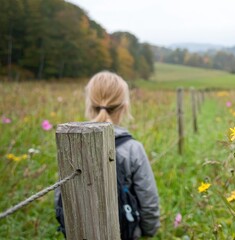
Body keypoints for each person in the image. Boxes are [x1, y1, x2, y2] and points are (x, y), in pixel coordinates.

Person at [54, 71, 160, 238]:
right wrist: (148, 231)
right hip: (125, 232)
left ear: (89, 104)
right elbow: (148, 199)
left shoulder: (71, 145)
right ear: (124, 106)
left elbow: (60, 196)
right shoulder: (132, 148)